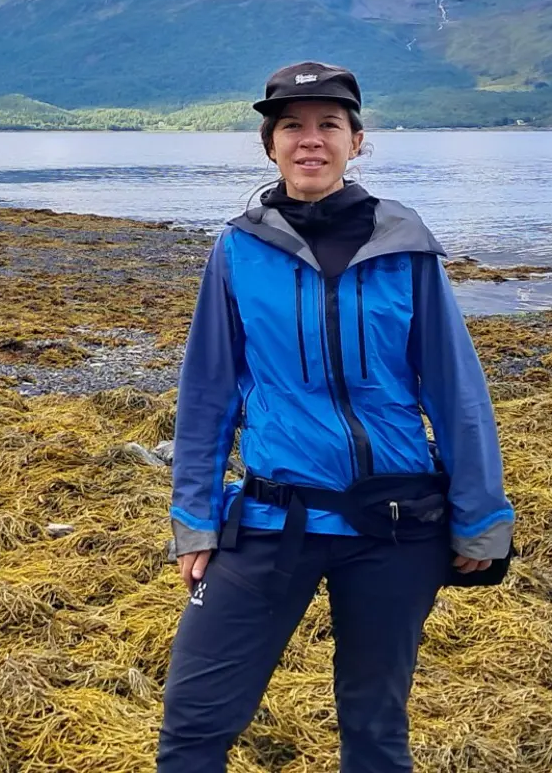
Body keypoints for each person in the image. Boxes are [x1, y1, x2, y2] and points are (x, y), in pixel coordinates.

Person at [156, 62, 515, 773]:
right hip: (269, 520)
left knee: (375, 727)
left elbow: (455, 392)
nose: (310, 139)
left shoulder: (405, 250)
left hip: (394, 527)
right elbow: (207, 393)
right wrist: (193, 515)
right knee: (192, 727)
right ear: (271, 145)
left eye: (328, 125)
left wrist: (481, 515)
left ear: (357, 141)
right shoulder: (237, 249)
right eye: (292, 125)